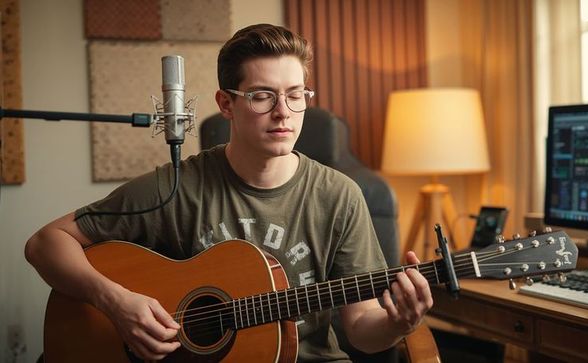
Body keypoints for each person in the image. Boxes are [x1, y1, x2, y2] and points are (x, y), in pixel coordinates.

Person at [25, 23, 432, 362]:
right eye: (261, 96)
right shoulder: (178, 186)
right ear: (226, 103)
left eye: (295, 95)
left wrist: (399, 323)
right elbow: (46, 243)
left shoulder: (340, 195)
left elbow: (362, 330)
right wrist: (116, 302)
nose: (283, 113)